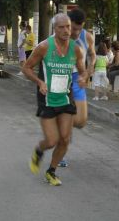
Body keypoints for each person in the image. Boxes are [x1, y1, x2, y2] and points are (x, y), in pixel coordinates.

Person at [23, 13, 87, 186]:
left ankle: (51, 171)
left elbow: (83, 71)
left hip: (66, 97)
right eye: (62, 27)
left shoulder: (76, 49)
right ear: (54, 29)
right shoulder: (44, 47)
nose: (66, 30)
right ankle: (39, 150)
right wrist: (39, 81)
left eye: (68, 26)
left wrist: (83, 78)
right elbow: (26, 68)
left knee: (65, 139)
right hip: (47, 98)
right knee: (51, 140)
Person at [68, 8, 96, 128]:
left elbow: (92, 54)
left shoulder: (87, 37)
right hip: (61, 76)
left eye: (79, 30)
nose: (76, 33)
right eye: (73, 29)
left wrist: (90, 68)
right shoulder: (59, 35)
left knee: (81, 122)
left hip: (77, 76)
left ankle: (61, 121)